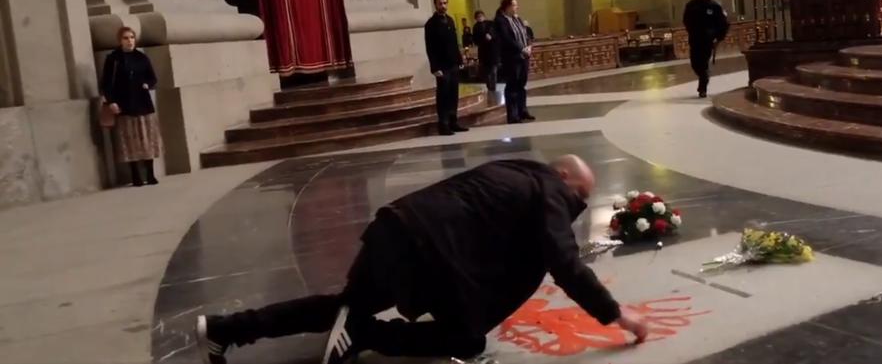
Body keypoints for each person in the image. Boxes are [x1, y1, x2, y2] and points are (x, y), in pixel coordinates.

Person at [194, 156, 649, 364]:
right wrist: (616, 314)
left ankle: (226, 328)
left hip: (394, 229)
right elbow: (564, 262)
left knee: (343, 305)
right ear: (563, 177)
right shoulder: (548, 189)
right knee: (464, 339)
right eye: (580, 197)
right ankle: (366, 334)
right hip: (423, 252)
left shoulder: (513, 170)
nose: (579, 207)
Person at [100, 26, 162, 186]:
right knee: (129, 141)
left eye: (132, 37)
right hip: (124, 104)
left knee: (147, 139)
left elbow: (153, 77)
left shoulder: (141, 57)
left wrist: (147, 84)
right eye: (126, 38)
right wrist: (111, 101)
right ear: (120, 41)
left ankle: (150, 173)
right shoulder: (113, 59)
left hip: (143, 103)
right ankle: (135, 175)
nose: (129, 41)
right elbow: (106, 84)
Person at [425, 0, 468, 136]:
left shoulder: (450, 20)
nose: (443, 6)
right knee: (443, 95)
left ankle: (453, 121)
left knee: (453, 94)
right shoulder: (431, 24)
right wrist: (434, 68)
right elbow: (430, 48)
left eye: (445, 3)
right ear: (435, 5)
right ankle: (443, 124)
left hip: (453, 64)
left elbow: (455, 43)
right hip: (441, 66)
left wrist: (460, 60)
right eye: (440, 3)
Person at [683, 0, 729, 98]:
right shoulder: (691, 5)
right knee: (694, 63)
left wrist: (718, 37)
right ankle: (704, 76)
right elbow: (686, 20)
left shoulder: (714, 6)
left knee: (703, 63)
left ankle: (702, 88)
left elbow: (723, 23)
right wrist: (691, 31)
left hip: (708, 40)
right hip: (694, 39)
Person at [495, 0, 535, 123]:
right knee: (512, 86)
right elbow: (507, 39)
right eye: (514, 5)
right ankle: (513, 115)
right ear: (507, 7)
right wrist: (521, 49)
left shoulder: (517, 19)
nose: (517, 7)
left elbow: (525, 32)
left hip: (523, 57)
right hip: (511, 58)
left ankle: (522, 110)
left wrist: (529, 46)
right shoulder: (500, 21)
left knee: (521, 85)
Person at [472, 10, 499, 91]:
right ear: (476, 18)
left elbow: (496, 33)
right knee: (487, 72)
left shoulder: (490, 24)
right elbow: (475, 40)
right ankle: (489, 86)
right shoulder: (475, 27)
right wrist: (484, 39)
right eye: (478, 17)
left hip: (492, 51)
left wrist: (491, 36)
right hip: (483, 52)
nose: (480, 18)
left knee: (494, 71)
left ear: (484, 16)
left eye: (481, 16)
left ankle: (493, 87)